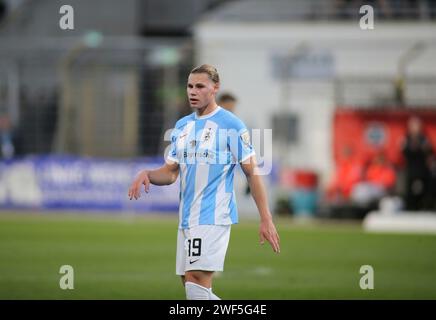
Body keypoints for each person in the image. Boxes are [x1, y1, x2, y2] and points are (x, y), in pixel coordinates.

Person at [128, 64, 280, 300]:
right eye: (190, 86)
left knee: (196, 283)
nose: (193, 91)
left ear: (215, 88)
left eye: (200, 86)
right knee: (192, 285)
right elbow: (170, 173)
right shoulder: (181, 127)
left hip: (212, 217)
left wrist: (266, 218)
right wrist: (148, 173)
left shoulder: (231, 125)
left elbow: (252, 173)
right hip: (186, 219)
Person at [401, 116, 432, 211]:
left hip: (422, 171)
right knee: (410, 192)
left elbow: (429, 152)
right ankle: (410, 209)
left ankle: (424, 208)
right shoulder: (406, 139)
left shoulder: (424, 139)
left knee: (424, 191)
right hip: (411, 171)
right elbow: (404, 152)